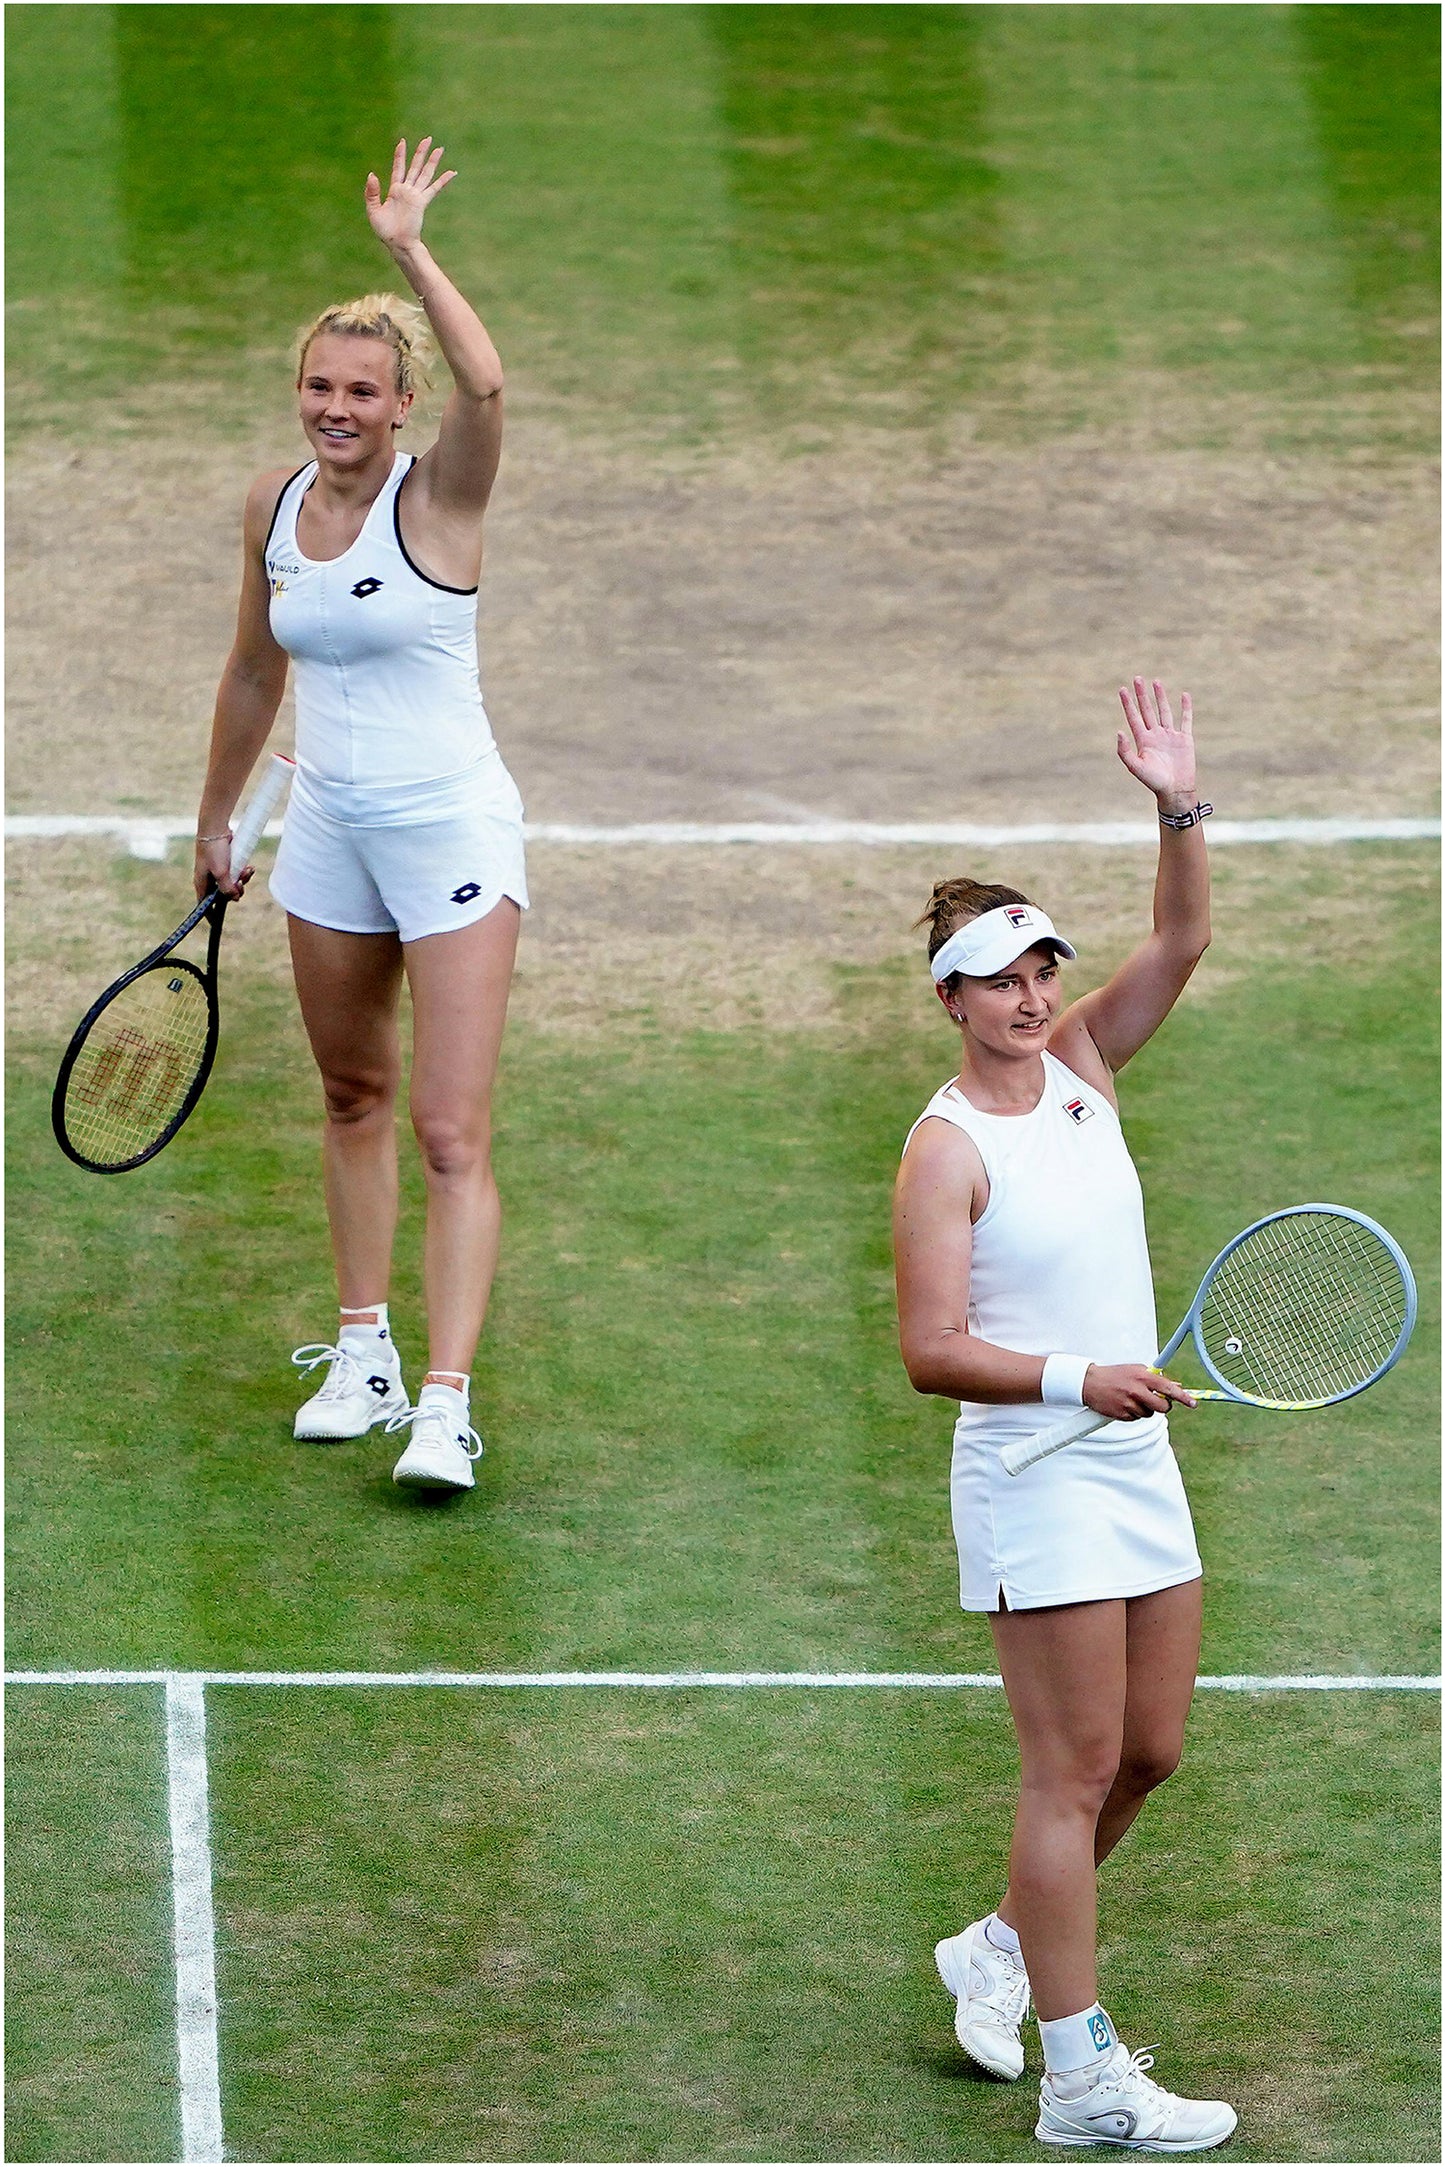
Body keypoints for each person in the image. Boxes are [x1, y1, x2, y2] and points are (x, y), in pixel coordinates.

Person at [893, 680, 1237, 2151]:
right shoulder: (944, 1147)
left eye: (1041, 967)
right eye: (1000, 979)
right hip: (1034, 1470)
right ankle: (1078, 2076)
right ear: (951, 1001)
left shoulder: (1085, 1066)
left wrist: (1174, 800)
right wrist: (1072, 1379)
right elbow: (929, 1348)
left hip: (1130, 1457)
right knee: (1071, 1770)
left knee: (1149, 1751)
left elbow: (1182, 938)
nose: (1031, 996)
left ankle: (995, 1948)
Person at [194, 139, 522, 1495]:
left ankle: (446, 1403)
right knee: (350, 1095)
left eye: (363, 390)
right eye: (319, 387)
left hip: (449, 834)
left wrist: (407, 251)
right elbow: (255, 667)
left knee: (449, 1127)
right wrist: (219, 822)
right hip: (324, 830)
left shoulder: (438, 497)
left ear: (402, 406)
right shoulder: (270, 505)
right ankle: (363, 1353)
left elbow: (492, 383)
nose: (336, 408)